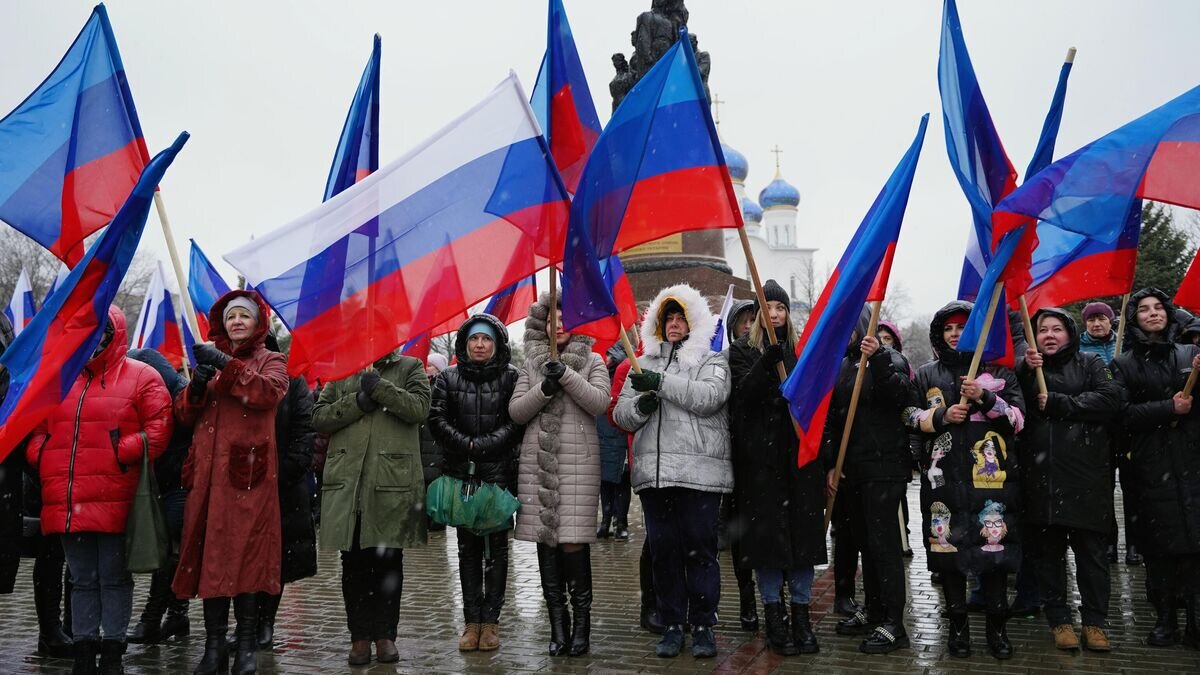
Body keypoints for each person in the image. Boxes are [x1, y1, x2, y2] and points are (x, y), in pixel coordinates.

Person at [27, 308, 172, 674]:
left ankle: (111, 651)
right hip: (67, 498)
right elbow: (36, 428)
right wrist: (43, 455)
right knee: (81, 579)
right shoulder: (58, 377)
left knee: (113, 577)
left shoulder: (142, 376)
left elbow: (159, 427)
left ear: (113, 333)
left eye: (100, 330)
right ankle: (84, 649)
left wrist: (121, 452)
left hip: (115, 495)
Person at [173, 290, 289, 675]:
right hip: (207, 481)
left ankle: (245, 648)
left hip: (247, 481)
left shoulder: (272, 360)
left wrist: (224, 364)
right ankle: (214, 646)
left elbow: (266, 393)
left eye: (244, 316)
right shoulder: (206, 359)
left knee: (247, 562)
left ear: (258, 324)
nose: (236, 322)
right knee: (211, 562)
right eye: (231, 316)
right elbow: (186, 415)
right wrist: (196, 386)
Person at [614, 284, 732, 660]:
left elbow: (708, 399)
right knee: (663, 552)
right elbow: (621, 415)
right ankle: (671, 623)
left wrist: (661, 385)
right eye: (668, 318)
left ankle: (702, 624)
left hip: (699, 474)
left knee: (700, 550)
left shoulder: (712, 360)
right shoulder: (642, 362)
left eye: (681, 317)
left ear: (694, 321)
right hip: (656, 474)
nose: (675, 324)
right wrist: (643, 405)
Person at [906, 302, 1026, 660]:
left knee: (993, 556)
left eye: (963, 327)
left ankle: (997, 630)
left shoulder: (1001, 370)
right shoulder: (926, 374)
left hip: (992, 485)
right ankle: (958, 630)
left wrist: (985, 398)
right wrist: (941, 415)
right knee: (950, 555)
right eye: (949, 329)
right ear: (939, 335)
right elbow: (909, 414)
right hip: (945, 485)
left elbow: (1019, 419)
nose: (956, 334)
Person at [313, 346, 430, 666]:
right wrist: (357, 402)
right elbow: (320, 418)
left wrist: (379, 387)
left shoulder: (410, 367)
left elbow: (419, 408)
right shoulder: (341, 368)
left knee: (388, 563)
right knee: (353, 566)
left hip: (390, 485)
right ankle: (359, 637)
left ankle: (385, 635)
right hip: (348, 485)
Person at [728, 281, 825, 657]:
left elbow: (817, 405)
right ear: (757, 315)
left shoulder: (802, 353)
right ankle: (775, 617)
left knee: (802, 547)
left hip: (800, 464)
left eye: (780, 308)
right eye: (767, 308)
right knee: (768, 548)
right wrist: (765, 364)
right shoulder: (742, 352)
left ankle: (801, 616)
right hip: (762, 468)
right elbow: (742, 400)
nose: (775, 314)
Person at [510, 294, 610, 657]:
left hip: (577, 466)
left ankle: (581, 625)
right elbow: (518, 412)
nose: (560, 326)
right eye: (553, 320)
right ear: (543, 325)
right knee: (546, 546)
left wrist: (566, 375)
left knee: (572, 543)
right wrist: (544, 387)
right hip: (538, 466)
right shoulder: (530, 366)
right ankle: (558, 626)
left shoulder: (594, 360)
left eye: (566, 319)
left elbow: (600, 402)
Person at [1017, 308, 1122, 651]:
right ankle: (1059, 619)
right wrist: (1025, 370)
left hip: (1086, 478)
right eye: (1042, 329)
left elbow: (1110, 399)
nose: (1049, 335)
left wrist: (1061, 403)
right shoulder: (1030, 370)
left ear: (1070, 333)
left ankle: (1095, 622)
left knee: (1092, 557)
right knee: (1048, 557)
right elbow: (1014, 405)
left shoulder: (1090, 363)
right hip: (1043, 480)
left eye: (1056, 329)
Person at [823, 307, 922, 654]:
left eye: (853, 324)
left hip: (884, 469)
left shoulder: (889, 358)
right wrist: (833, 463)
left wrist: (877, 357)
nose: (848, 331)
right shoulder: (843, 365)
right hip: (854, 471)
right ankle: (876, 611)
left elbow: (901, 398)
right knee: (866, 546)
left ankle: (894, 624)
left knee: (885, 549)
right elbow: (835, 418)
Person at [1109, 288, 1200, 647]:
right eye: (1144, 309)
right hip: (1150, 466)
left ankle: (1196, 620)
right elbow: (1121, 415)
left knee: (1196, 546)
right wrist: (1166, 409)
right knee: (1159, 548)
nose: (1153, 314)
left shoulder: (1190, 354)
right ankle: (1165, 619)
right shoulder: (1124, 364)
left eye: (1158, 308)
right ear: (1134, 318)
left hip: (1192, 463)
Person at [428, 314, 522, 653]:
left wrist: (486, 445)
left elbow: (517, 421)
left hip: (498, 476)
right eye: (474, 340)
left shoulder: (512, 377)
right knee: (467, 551)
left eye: (486, 340)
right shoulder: (448, 378)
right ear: (464, 344)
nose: (480, 345)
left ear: (496, 344)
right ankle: (471, 623)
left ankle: (491, 623)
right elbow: (436, 418)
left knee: (497, 552)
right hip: (460, 475)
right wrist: (465, 443)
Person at [238, 333, 317, 652]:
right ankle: (244, 625)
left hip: (281, 486)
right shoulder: (232, 377)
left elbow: (304, 431)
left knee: (276, 559)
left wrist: (280, 472)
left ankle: (265, 624)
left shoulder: (293, 381)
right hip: (240, 484)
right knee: (243, 558)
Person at [125, 349, 193, 647]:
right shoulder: (139, 394)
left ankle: (154, 617)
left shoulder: (181, 399)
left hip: (179, 483)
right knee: (170, 553)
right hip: (154, 485)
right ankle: (177, 614)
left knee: (170, 552)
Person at [1078, 301, 1141, 566]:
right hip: (1097, 427)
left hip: (1126, 426)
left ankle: (1135, 544)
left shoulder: (1126, 346)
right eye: (1091, 320)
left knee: (1133, 486)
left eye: (1101, 318)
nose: (1097, 324)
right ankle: (1109, 543)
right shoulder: (1079, 350)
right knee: (1102, 487)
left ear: (1111, 321)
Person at [718, 297, 760, 632]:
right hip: (737, 458)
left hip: (767, 460)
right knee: (741, 538)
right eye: (742, 321)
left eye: (753, 320)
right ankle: (747, 602)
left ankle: (775, 600)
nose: (748, 327)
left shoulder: (773, 356)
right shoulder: (727, 358)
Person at [596, 344, 631, 541]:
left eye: (608, 354)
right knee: (605, 481)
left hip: (619, 433)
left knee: (621, 480)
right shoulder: (598, 372)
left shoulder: (625, 365)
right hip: (601, 432)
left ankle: (621, 522)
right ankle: (606, 520)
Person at [420, 354, 449, 532]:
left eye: (430, 365)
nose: (427, 368)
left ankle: (437, 525)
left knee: (436, 492)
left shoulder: (441, 388)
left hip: (437, 450)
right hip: (423, 450)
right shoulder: (421, 387)